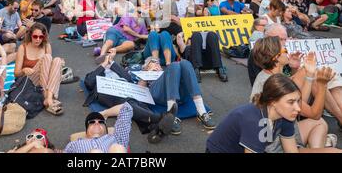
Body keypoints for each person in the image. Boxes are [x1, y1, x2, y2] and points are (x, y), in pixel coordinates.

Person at [207, 74, 341, 153]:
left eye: (298, 101)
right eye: (291, 102)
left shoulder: (285, 115)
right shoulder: (254, 120)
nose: (298, 108)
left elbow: (291, 151)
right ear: (272, 102)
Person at [84, 49, 177, 143]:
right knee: (130, 104)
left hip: (125, 91)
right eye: (106, 63)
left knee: (134, 104)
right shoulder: (96, 74)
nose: (108, 64)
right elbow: (89, 82)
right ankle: (158, 118)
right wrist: (104, 64)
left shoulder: (120, 71)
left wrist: (111, 62)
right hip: (107, 90)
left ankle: (155, 130)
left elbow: (128, 79)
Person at [14, 23, 63, 115]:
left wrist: (59, 65)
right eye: (35, 36)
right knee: (47, 57)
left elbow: (48, 68)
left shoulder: (47, 46)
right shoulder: (22, 47)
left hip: (43, 80)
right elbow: (16, 73)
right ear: (30, 35)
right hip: (30, 80)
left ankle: (47, 97)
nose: (38, 39)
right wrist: (23, 70)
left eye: (41, 37)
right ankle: (48, 98)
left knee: (57, 60)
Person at [64, 102, 133, 153]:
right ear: (86, 131)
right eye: (91, 122)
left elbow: (126, 108)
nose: (96, 123)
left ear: (106, 130)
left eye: (101, 122)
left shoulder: (117, 137)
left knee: (118, 148)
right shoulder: (73, 144)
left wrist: (104, 113)